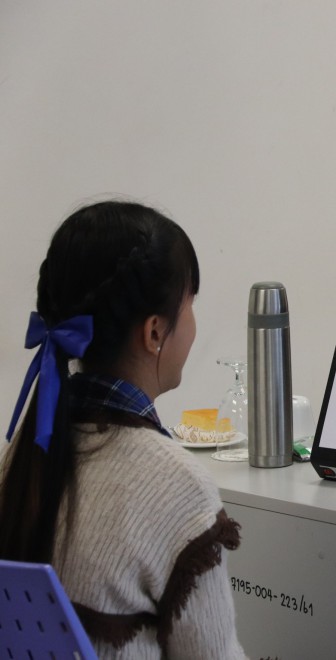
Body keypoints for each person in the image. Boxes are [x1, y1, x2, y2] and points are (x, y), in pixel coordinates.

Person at [0, 200, 247, 658]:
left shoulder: (22, 454)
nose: (194, 323)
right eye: (190, 303)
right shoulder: (177, 486)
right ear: (154, 332)